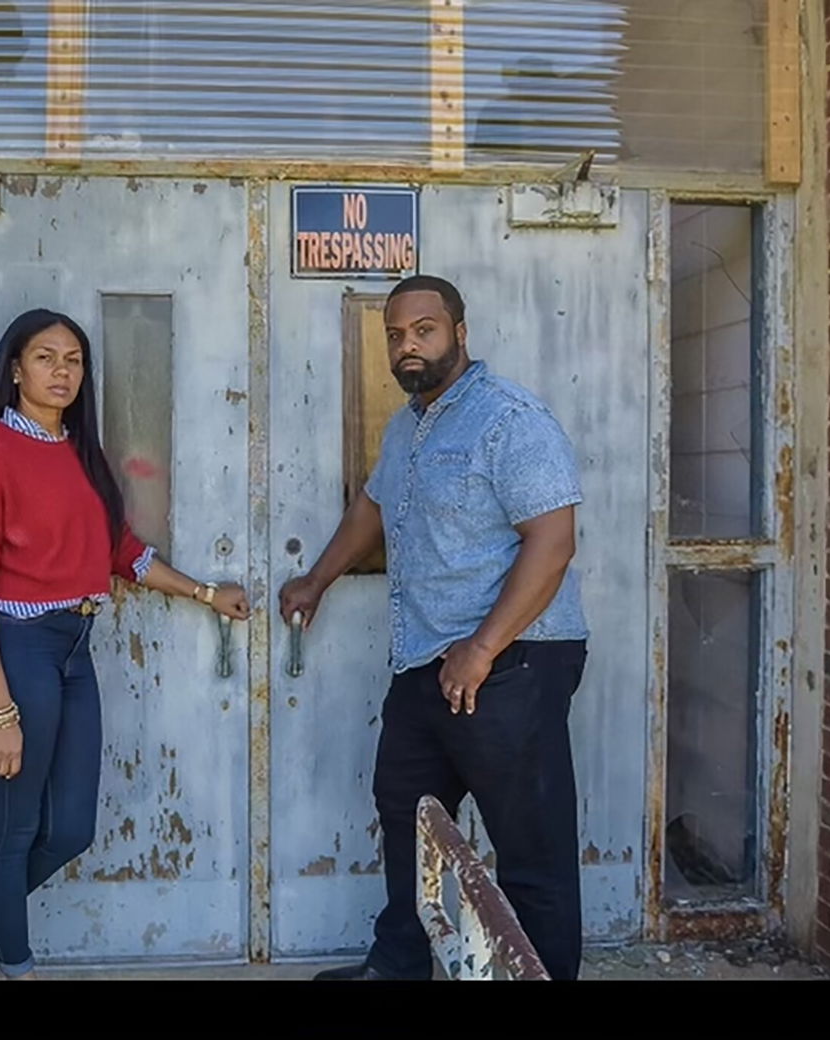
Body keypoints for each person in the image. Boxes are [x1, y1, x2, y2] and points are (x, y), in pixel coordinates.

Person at [0, 308, 250, 980]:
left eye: (73, 359)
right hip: (13, 649)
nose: (61, 370)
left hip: (73, 650)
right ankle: (17, 970)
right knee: (9, 836)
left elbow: (122, 552)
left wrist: (206, 594)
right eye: (45, 357)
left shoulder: (80, 454)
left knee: (69, 830)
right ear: (15, 369)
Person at [279, 275, 588, 981]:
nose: (408, 345)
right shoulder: (408, 426)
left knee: (530, 852)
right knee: (409, 818)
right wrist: (317, 579)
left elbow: (553, 541)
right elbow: (372, 507)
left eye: (424, 329)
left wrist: (481, 650)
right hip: (425, 661)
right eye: (395, 334)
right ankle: (399, 967)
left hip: (513, 663)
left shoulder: (510, 419)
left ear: (459, 332)